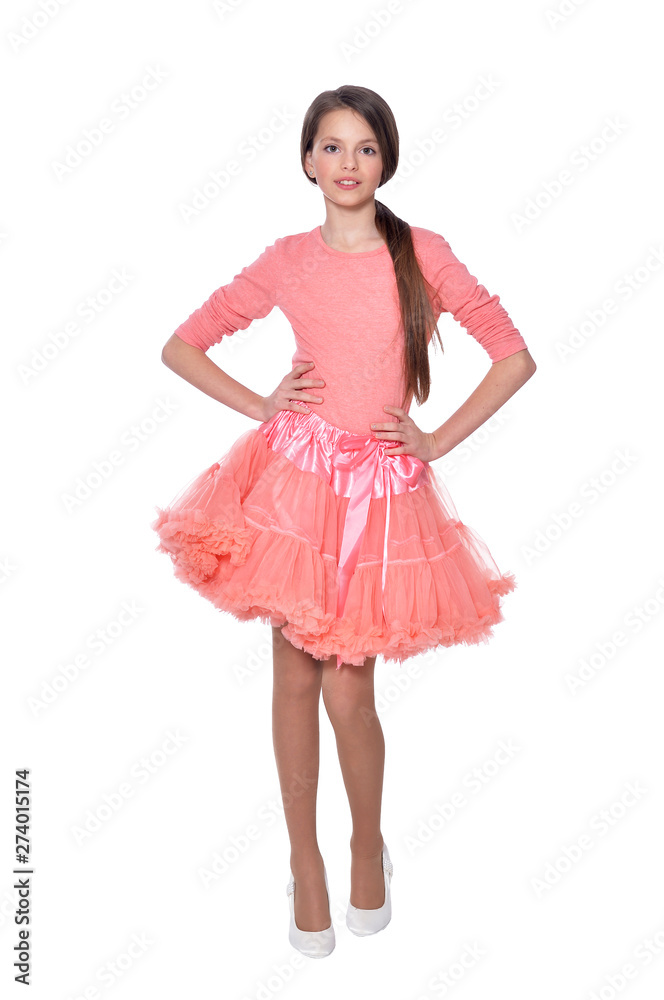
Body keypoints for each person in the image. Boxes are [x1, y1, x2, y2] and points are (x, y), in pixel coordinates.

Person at [151, 84, 537, 959]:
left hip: (381, 493)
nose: (347, 163)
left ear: (387, 160)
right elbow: (183, 342)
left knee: (346, 685)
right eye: (331, 147)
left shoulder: (421, 253)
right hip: (294, 482)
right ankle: (305, 863)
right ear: (305, 160)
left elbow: (513, 354)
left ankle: (367, 845)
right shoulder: (288, 258)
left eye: (365, 148)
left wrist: (434, 439)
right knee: (291, 676)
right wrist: (261, 401)